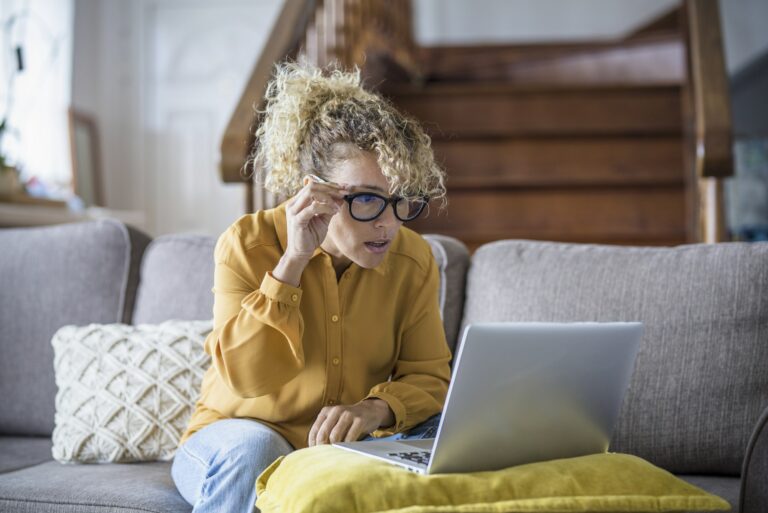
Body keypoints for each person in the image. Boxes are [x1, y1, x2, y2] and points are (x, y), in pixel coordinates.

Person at [171, 61, 452, 513]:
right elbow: (246, 378)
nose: (388, 223)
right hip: (237, 433)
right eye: (366, 199)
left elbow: (429, 378)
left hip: (350, 443)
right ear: (314, 191)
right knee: (255, 452)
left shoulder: (414, 259)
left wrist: (373, 409)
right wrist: (292, 263)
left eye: (399, 200)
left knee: (452, 436)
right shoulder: (247, 244)